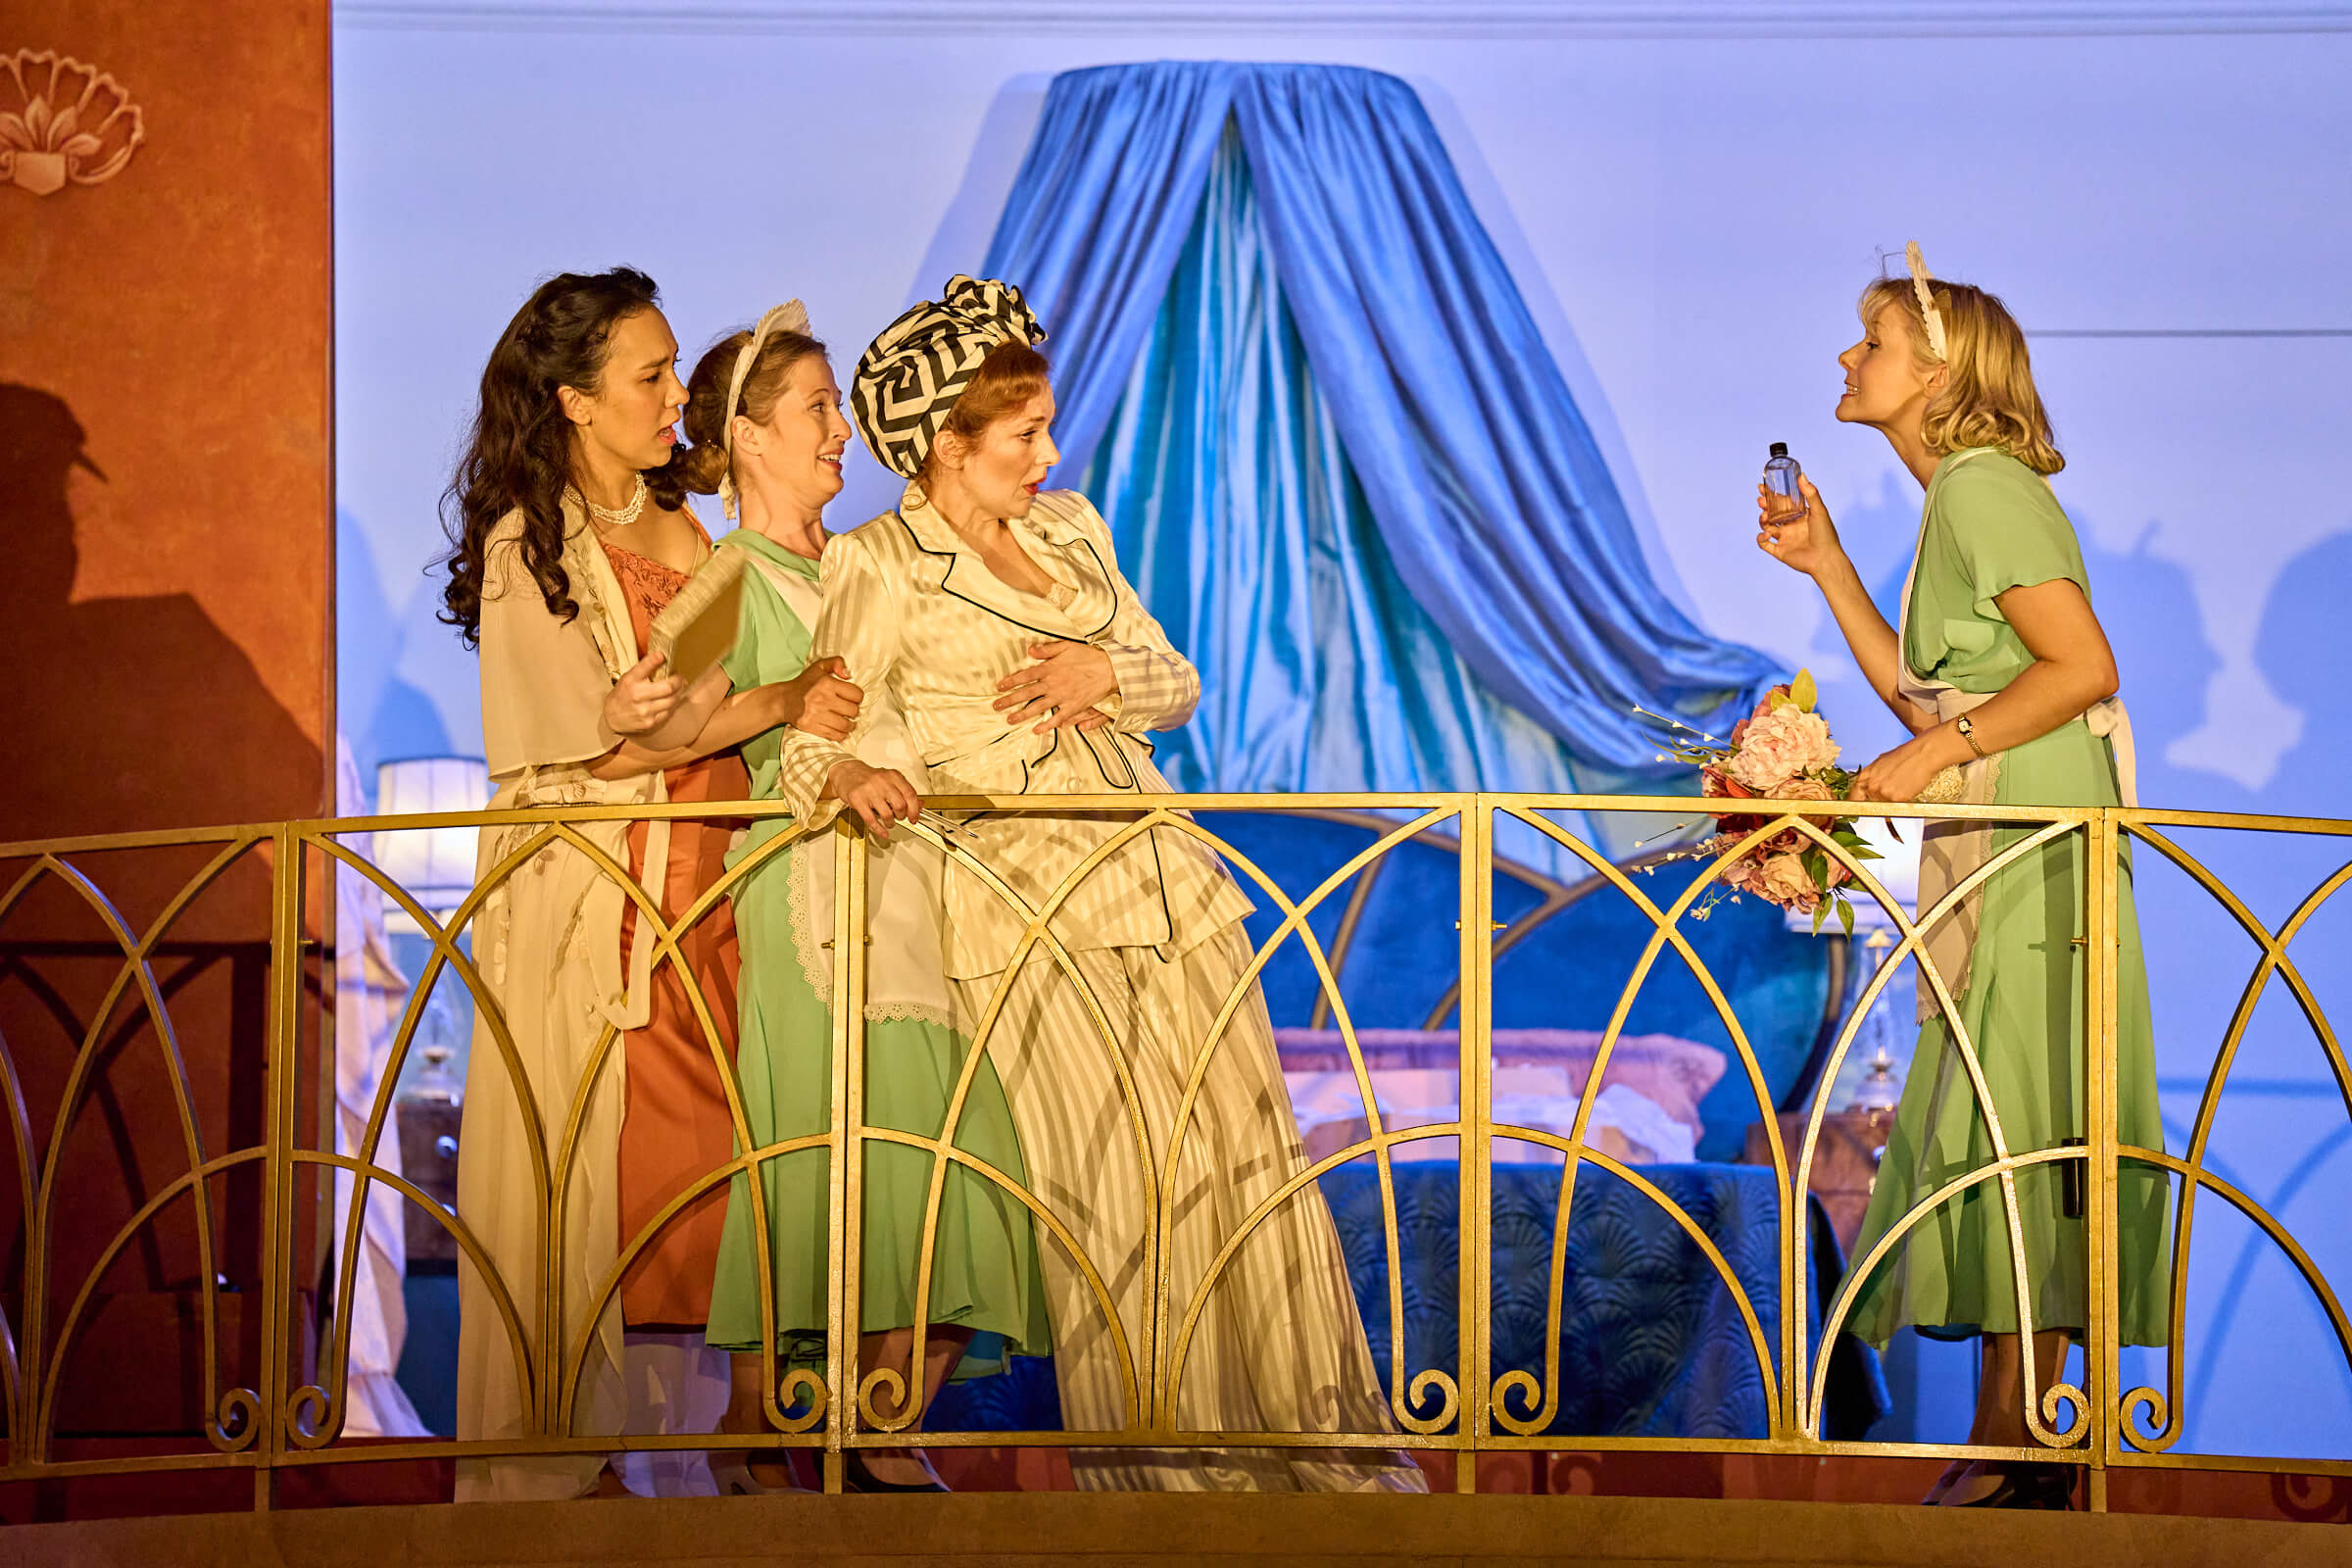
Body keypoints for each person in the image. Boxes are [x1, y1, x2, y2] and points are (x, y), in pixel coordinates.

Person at [772, 276, 1425, 1494]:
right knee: (1120, 1201)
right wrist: (853, 771)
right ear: (946, 444)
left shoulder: (1073, 530)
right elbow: (815, 738)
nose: (1048, 454)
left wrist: (1103, 674)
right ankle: (1174, 1489)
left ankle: (1323, 1463)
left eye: (1046, 428)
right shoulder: (877, 562)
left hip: (1164, 882)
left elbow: (1177, 681)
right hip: (1021, 912)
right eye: (1022, 435)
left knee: (1247, 1174)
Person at [1758, 246, 2167, 1509]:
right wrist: (1830, 565)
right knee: (2005, 1111)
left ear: (1937, 373)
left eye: (1872, 340)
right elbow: (1930, 696)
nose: (1848, 356)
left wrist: (1936, 753)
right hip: (1999, 824)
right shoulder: (1959, 499)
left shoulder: (1987, 488)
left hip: (2032, 839)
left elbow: (2081, 666)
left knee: (2022, 1108)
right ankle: (2012, 1430)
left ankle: (2020, 1439)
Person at [437, 268, 822, 1500]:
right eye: (648, 376)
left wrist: (777, 698)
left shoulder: (683, 530)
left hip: (709, 861)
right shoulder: (530, 544)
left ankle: (731, 1435)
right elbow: (568, 756)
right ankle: (581, 1457)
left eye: (669, 372)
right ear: (573, 398)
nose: (672, 398)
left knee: (722, 1153)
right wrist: (630, 721)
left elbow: (704, 706)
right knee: (614, 1155)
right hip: (607, 886)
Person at [675, 303, 1050, 1494]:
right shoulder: (733, 576)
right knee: (824, 1150)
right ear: (749, 436)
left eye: (839, 405)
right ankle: (767, 1427)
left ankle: (874, 1424)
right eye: (818, 409)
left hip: (914, 886)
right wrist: (795, 724)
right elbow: (655, 722)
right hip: (811, 888)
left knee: (954, 1159)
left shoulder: (867, 562)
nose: (843, 430)